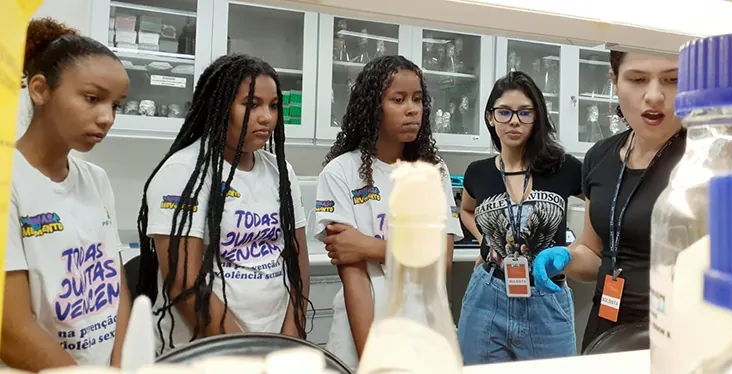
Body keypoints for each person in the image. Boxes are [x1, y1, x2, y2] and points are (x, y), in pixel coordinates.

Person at [137, 54, 310, 354]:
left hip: (274, 345)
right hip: (208, 350)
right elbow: (184, 284)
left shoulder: (280, 171)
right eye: (252, 104)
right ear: (219, 107)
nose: (267, 117)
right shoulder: (184, 171)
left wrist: (291, 336)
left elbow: (297, 259)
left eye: (273, 106)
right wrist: (247, 353)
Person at [314, 55, 463, 368]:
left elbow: (442, 260)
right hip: (363, 339)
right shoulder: (340, 173)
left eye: (418, 99)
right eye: (398, 99)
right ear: (372, 107)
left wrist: (370, 247)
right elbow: (354, 277)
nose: (412, 109)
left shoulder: (434, 171)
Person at [1, 18, 132, 370]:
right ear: (41, 90)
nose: (107, 118)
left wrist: (120, 363)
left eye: (116, 105)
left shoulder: (97, 179)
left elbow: (114, 284)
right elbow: (9, 329)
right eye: (92, 99)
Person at [532, 51, 684, 352]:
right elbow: (592, 252)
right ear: (614, 81)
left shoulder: (706, 159)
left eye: (673, 80)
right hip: (606, 319)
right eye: (637, 79)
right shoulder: (599, 157)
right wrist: (566, 258)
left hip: (676, 328)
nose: (654, 96)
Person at [456, 71, 582, 364]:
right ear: (490, 117)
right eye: (505, 112)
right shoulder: (478, 172)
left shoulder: (563, 168)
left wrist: (581, 250)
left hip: (546, 297)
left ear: (537, 118)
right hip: (487, 295)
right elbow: (466, 209)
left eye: (525, 113)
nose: (514, 121)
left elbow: (602, 206)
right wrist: (486, 240)